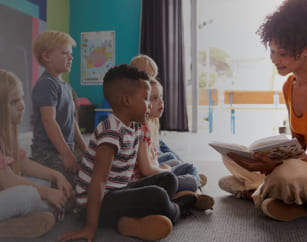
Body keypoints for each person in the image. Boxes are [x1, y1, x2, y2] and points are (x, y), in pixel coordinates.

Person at [218, 0, 307, 222]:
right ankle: (287, 197)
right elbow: (300, 148)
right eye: (272, 51)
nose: (274, 59)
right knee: (232, 162)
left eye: (282, 53)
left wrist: (278, 167)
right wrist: (271, 158)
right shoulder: (289, 85)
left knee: (286, 174)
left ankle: (263, 192)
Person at [58, 64, 194, 242]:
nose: (149, 105)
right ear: (127, 101)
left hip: (118, 192)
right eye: (146, 99)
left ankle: (131, 223)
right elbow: (98, 181)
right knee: (157, 195)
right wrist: (90, 227)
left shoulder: (135, 126)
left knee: (168, 179)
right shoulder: (111, 133)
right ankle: (177, 209)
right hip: (96, 205)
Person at [0, 70, 72, 238]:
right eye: (14, 102)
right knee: (29, 195)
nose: (22, 106)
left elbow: (24, 164)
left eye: (22, 98)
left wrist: (56, 175)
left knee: (42, 182)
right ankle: (54, 206)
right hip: (5, 189)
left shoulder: (6, 135)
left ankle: (46, 209)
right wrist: (49, 194)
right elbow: (9, 181)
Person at [131, 77, 215, 211]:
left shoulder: (151, 124)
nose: (161, 102)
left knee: (182, 164)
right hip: (148, 180)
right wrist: (165, 170)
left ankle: (194, 192)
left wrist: (163, 168)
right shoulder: (142, 129)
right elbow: (146, 170)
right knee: (190, 179)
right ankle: (194, 193)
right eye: (154, 99)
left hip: (154, 174)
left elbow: (151, 161)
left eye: (161, 97)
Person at [31, 31, 87, 187]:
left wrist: (85, 149)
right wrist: (67, 154)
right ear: (47, 56)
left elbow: (72, 122)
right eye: (65, 53)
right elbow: (49, 121)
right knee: (74, 181)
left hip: (63, 150)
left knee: (94, 168)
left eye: (71, 54)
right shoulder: (47, 84)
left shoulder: (66, 87)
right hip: (47, 153)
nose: (71, 57)